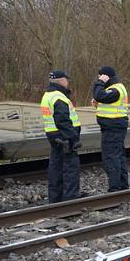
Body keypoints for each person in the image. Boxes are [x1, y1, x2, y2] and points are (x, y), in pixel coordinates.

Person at [40, 70, 82, 203]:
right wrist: (72, 138)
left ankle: (55, 198)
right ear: (61, 81)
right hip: (64, 137)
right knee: (70, 167)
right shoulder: (59, 97)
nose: (67, 82)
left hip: (53, 135)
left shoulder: (47, 95)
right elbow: (63, 120)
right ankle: (70, 198)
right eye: (66, 80)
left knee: (56, 167)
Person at [93, 65, 129, 192]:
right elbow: (103, 101)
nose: (99, 79)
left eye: (100, 76)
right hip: (114, 126)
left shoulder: (115, 89)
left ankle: (115, 188)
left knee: (111, 157)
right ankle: (123, 185)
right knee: (118, 156)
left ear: (106, 76)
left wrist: (99, 83)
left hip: (113, 127)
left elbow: (98, 95)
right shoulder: (114, 88)